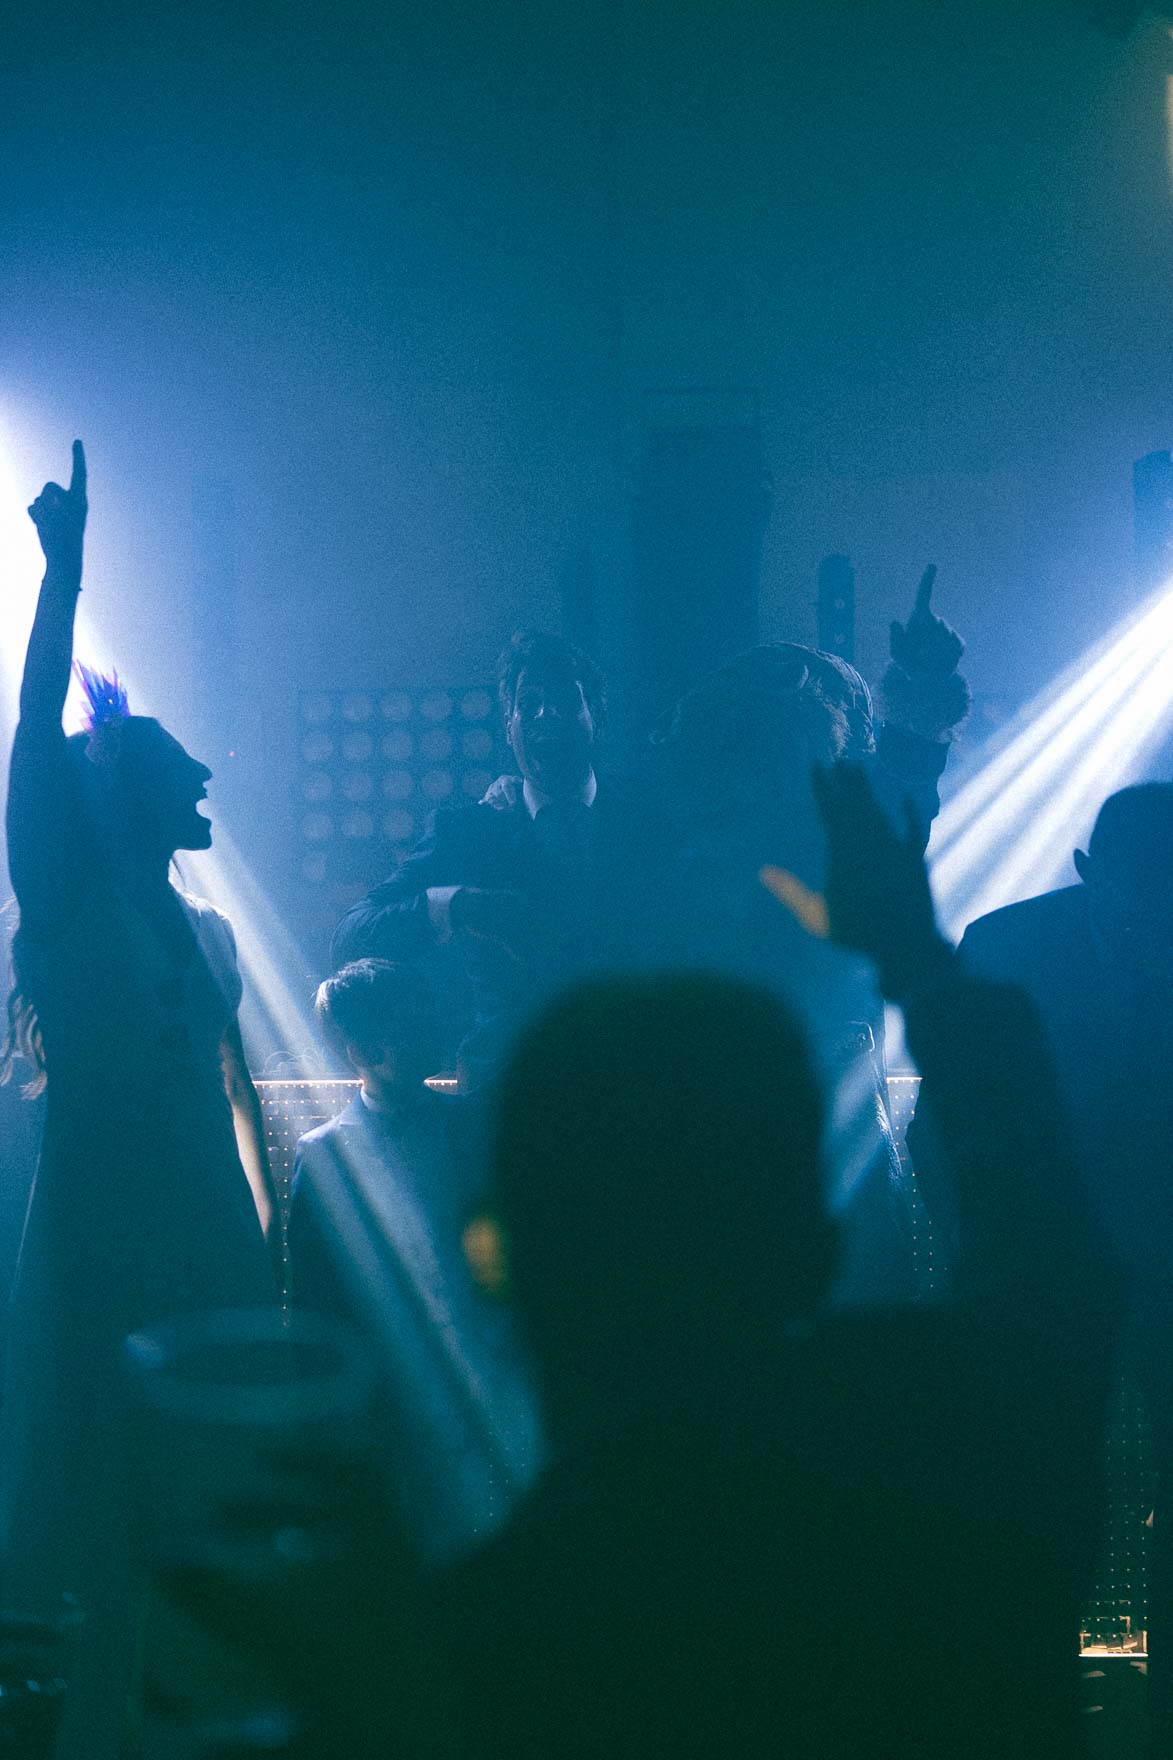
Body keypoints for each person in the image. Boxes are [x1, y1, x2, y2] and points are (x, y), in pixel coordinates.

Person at [442, 763, 1123, 1759]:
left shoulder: (487, 1637)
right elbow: (1053, 1245)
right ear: (820, 1244)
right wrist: (916, 957)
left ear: (494, 1263)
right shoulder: (971, 1456)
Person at [0, 443, 279, 1760]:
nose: (206, 774)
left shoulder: (205, 936)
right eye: (180, 756)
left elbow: (229, 1102)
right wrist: (61, 581)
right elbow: (38, 726)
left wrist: (256, 1231)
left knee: (193, 1514)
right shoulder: (65, 896)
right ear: (121, 783)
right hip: (100, 1229)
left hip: (197, 1232)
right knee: (93, 1507)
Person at [910, 780, 1173, 1746]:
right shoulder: (1005, 948)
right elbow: (949, 1127)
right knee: (1046, 1487)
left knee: (1047, 1486)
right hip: (1058, 1263)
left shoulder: (1009, 947)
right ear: (1087, 875)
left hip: (1070, 1260)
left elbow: (949, 1125)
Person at [653, 568, 969, 1304]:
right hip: (766, 1115)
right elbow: (897, 795)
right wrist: (917, 693)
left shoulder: (705, 840)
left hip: (790, 1114)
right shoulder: (807, 830)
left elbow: (897, 795)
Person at [331, 629, 669, 1089]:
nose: (545, 714)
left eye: (565, 701)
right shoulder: (467, 832)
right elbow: (352, 936)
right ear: (508, 728)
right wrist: (459, 904)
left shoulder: (653, 817)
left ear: (598, 718)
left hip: (639, 1084)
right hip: (505, 1103)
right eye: (529, 704)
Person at [289, 959, 540, 1565]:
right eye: (410, 1026)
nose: (430, 1033)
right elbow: (312, 1297)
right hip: (389, 1384)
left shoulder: (474, 1125)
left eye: (426, 1018)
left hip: (494, 1362)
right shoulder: (324, 1158)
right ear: (361, 1051)